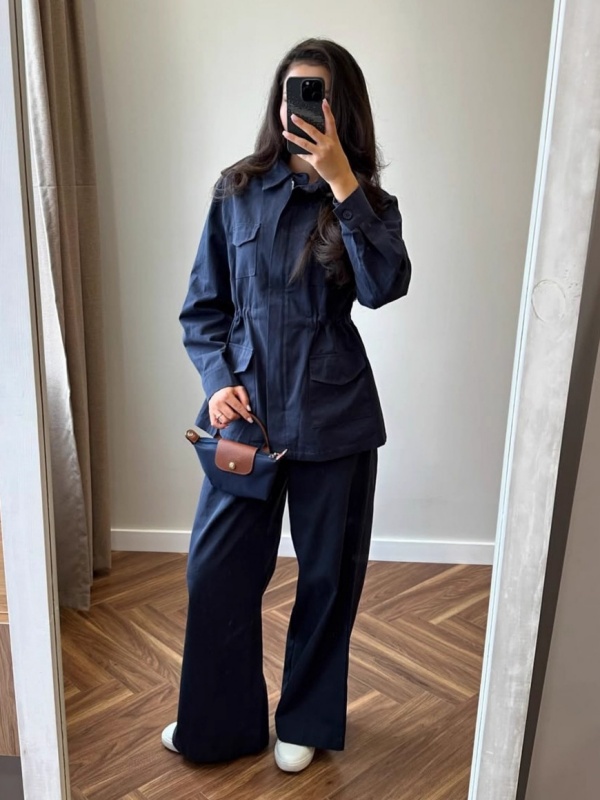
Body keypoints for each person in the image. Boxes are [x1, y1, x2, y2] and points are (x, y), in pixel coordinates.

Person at [161, 37, 411, 773]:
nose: (301, 107)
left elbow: (384, 286)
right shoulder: (236, 189)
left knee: (327, 579)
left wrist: (341, 182)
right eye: (293, 91)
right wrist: (216, 381)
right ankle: (219, 722)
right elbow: (203, 308)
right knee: (216, 574)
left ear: (341, 109)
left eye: (318, 94)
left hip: (335, 418)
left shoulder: (369, 203)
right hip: (245, 418)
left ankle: (303, 719)